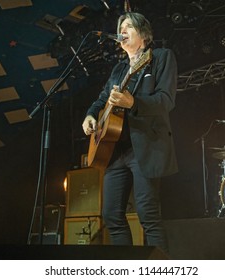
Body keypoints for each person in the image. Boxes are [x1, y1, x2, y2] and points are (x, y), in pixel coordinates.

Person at [82, 12, 178, 253]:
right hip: (115, 151)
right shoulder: (119, 69)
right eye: (120, 28)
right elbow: (101, 99)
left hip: (144, 147)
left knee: (148, 217)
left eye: (128, 28)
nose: (122, 32)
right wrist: (90, 115)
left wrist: (132, 102)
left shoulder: (161, 58)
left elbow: (165, 101)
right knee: (112, 216)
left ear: (143, 34)